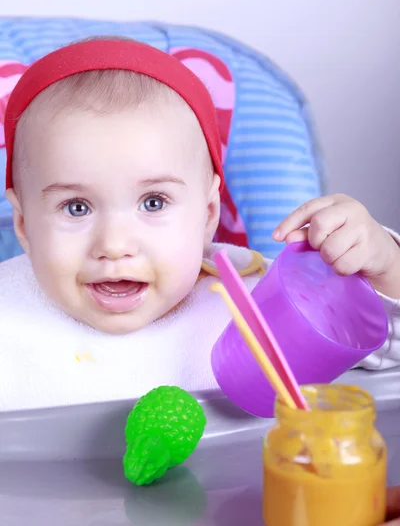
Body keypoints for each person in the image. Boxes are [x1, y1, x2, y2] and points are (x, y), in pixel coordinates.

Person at [0, 37, 399, 412]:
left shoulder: (254, 304)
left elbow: (381, 361)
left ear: (208, 214)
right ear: (23, 223)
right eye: (76, 208)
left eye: (153, 202)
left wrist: (385, 272)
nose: (115, 244)